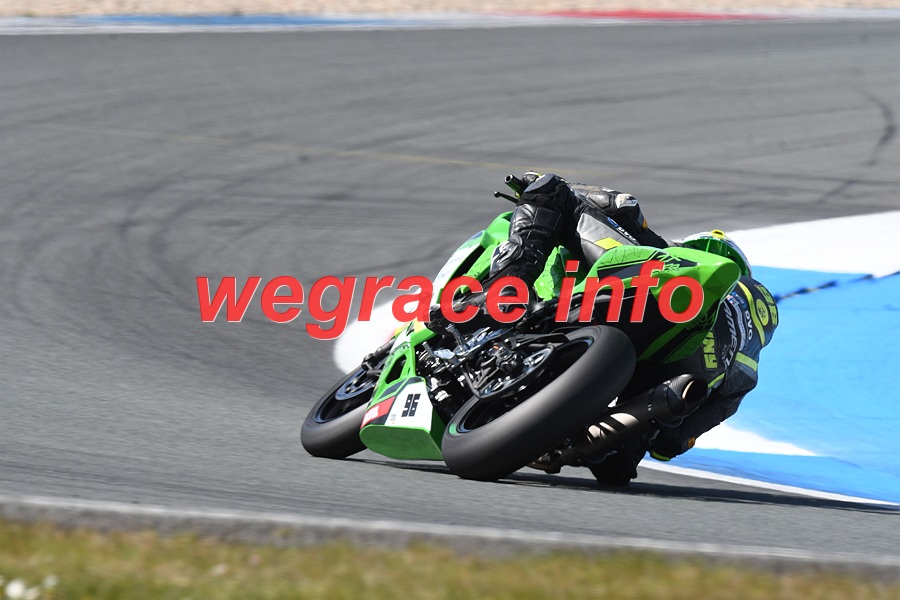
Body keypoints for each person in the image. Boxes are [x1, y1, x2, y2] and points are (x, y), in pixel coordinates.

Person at [476, 173, 779, 486]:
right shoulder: (746, 368)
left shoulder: (663, 252)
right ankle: (589, 439)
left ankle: (504, 289)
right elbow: (669, 446)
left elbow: (622, 206)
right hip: (673, 379)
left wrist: (538, 186)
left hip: (644, 300)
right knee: (617, 466)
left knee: (551, 191)